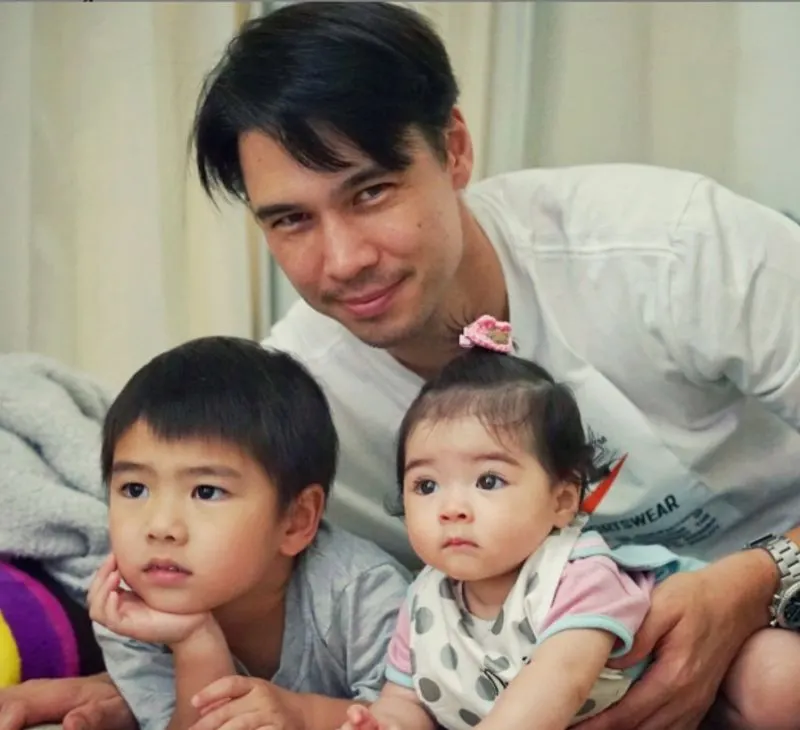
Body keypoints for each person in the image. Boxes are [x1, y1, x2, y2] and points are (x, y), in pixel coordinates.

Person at [5, 2, 800, 729]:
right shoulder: (302, 396)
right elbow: (284, 607)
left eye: (371, 193)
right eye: (291, 220)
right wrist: (138, 688)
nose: (344, 260)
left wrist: (758, 579)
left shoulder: (673, 248)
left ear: (454, 148)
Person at [338, 316, 800, 730]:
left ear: (562, 500)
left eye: (489, 480)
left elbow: (558, 681)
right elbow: (407, 700)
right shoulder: (424, 600)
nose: (451, 508)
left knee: (780, 681)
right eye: (426, 485)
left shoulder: (577, 574)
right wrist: (386, 722)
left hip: (703, 673)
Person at [86, 336, 410, 730]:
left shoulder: (362, 595)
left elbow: (416, 719)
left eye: (206, 492)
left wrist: (302, 715)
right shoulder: (128, 612)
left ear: (296, 520)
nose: (160, 527)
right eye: (135, 489)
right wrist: (195, 642)